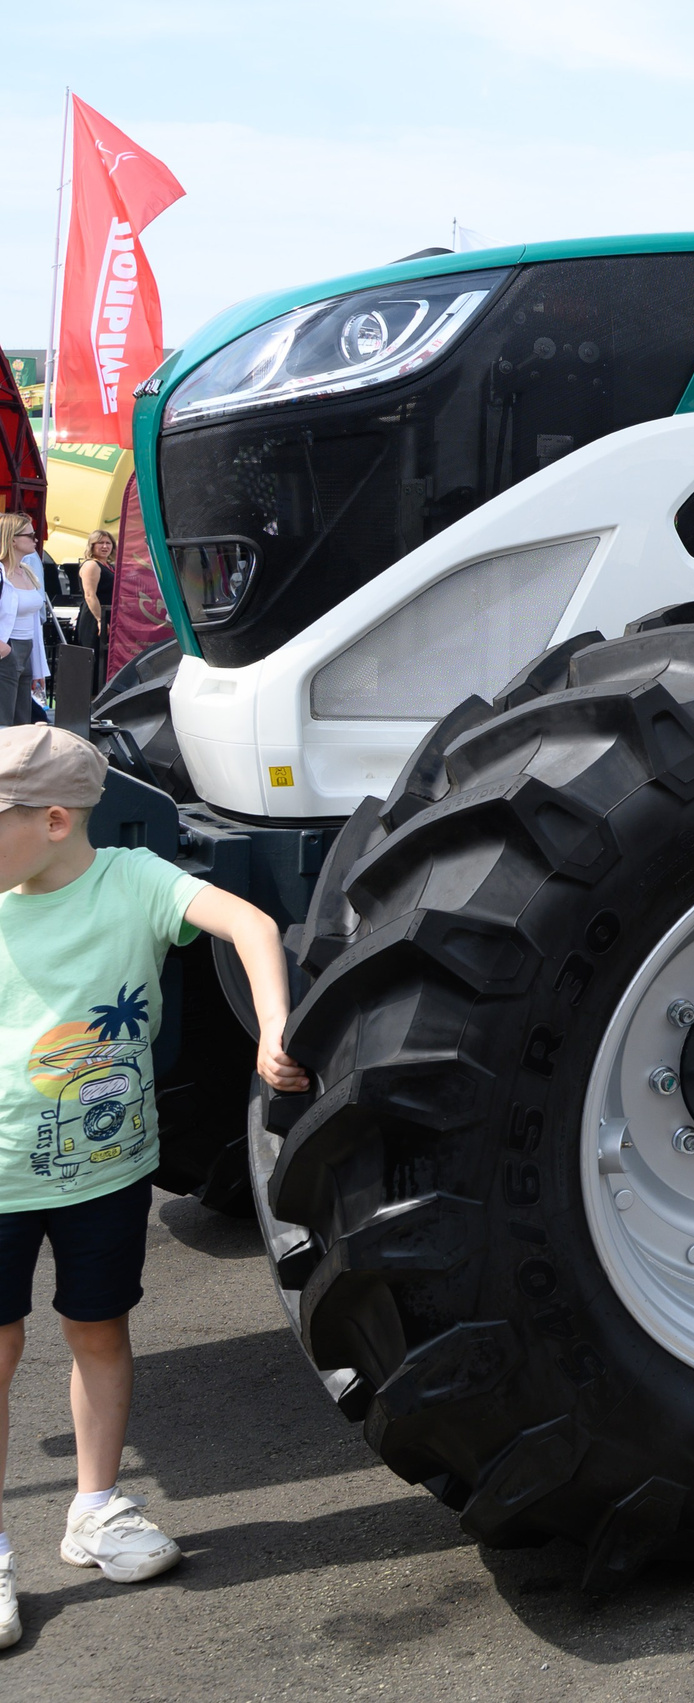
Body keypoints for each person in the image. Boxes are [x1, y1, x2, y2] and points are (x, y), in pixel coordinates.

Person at [0, 726, 308, 1647]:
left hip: (107, 1171)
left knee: (98, 1330)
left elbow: (250, 925)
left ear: (55, 820)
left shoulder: (133, 881)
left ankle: (94, 1509)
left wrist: (273, 1027)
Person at [0, 521, 47, 729]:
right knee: (4, 720)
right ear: (12, 540)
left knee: (22, 722)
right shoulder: (1, 573)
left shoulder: (26, 571)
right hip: (8, 648)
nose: (36, 539)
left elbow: (35, 622)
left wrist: (38, 667)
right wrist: (4, 648)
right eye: (30, 535)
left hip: (26, 649)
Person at [74, 532, 115, 696]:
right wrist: (100, 620)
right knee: (94, 658)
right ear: (92, 546)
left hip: (109, 615)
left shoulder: (109, 566)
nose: (105, 546)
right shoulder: (91, 565)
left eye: (108, 543)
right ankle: (89, 699)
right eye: (100, 543)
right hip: (94, 616)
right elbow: (90, 595)